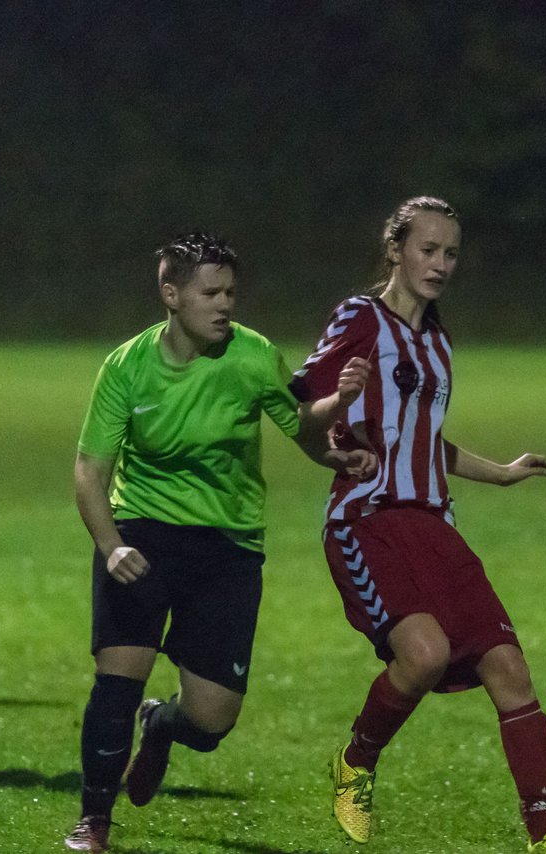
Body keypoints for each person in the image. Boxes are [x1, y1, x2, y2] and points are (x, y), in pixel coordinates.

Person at [63, 232, 376, 853]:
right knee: (117, 679)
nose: (226, 303)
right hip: (143, 535)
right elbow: (89, 471)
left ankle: (163, 723)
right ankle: (93, 819)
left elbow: (303, 430)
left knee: (210, 722)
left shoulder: (255, 356)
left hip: (227, 547)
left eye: (231, 291)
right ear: (171, 293)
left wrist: (338, 410)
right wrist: (111, 546)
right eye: (212, 291)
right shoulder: (127, 366)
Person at [291, 197, 546, 853]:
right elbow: (301, 417)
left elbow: (421, 438)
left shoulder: (437, 342)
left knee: (510, 672)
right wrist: (336, 423)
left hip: (434, 525)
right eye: (427, 249)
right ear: (395, 250)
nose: (440, 263)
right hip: (366, 521)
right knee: (425, 655)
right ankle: (355, 763)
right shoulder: (360, 319)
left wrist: (497, 471)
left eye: (450, 253)